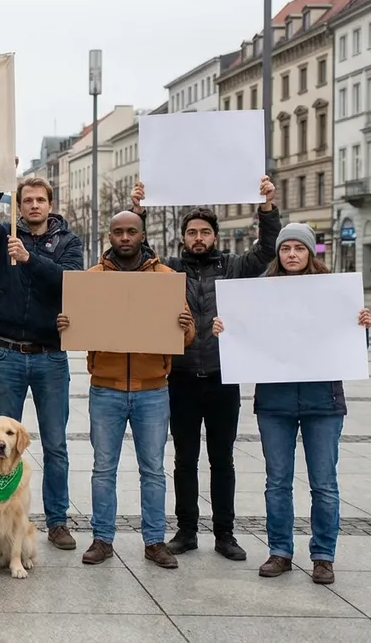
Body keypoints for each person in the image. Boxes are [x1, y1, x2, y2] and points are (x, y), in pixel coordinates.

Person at [212, 223, 371, 585]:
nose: (292, 255)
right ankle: (280, 551)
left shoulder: (334, 294)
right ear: (278, 254)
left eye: (299, 249)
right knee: (278, 482)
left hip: (324, 402)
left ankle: (323, 556)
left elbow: (353, 351)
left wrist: (360, 327)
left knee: (324, 484)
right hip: (275, 404)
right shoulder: (260, 295)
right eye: (286, 249)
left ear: (310, 252)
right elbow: (246, 340)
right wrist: (228, 331)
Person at [130, 177, 280, 561]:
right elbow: (139, 250)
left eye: (205, 232)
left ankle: (225, 534)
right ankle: (186, 530)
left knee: (222, 460)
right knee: (183, 459)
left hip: (221, 378)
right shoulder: (169, 269)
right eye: (192, 232)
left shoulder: (233, 266)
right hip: (179, 378)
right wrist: (140, 209)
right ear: (183, 237)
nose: (199, 237)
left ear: (215, 236)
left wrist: (266, 207)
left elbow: (266, 250)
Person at [56, 210, 195, 569]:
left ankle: (154, 541)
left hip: (153, 389)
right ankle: (102, 538)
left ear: (142, 234)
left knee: (152, 469)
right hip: (106, 386)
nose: (125, 238)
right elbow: (76, 328)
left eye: (131, 231)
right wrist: (67, 323)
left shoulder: (165, 278)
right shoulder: (93, 279)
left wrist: (184, 326)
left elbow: (188, 335)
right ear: (109, 236)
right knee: (104, 468)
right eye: (118, 232)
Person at [0, 174, 84, 551]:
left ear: (50, 205)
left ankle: (56, 520)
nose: (33, 205)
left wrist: (30, 259)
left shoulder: (68, 242)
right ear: (19, 206)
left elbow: (70, 283)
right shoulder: (5, 237)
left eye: (40, 200)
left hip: (50, 355)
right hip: (7, 354)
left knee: (55, 444)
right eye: (27, 200)